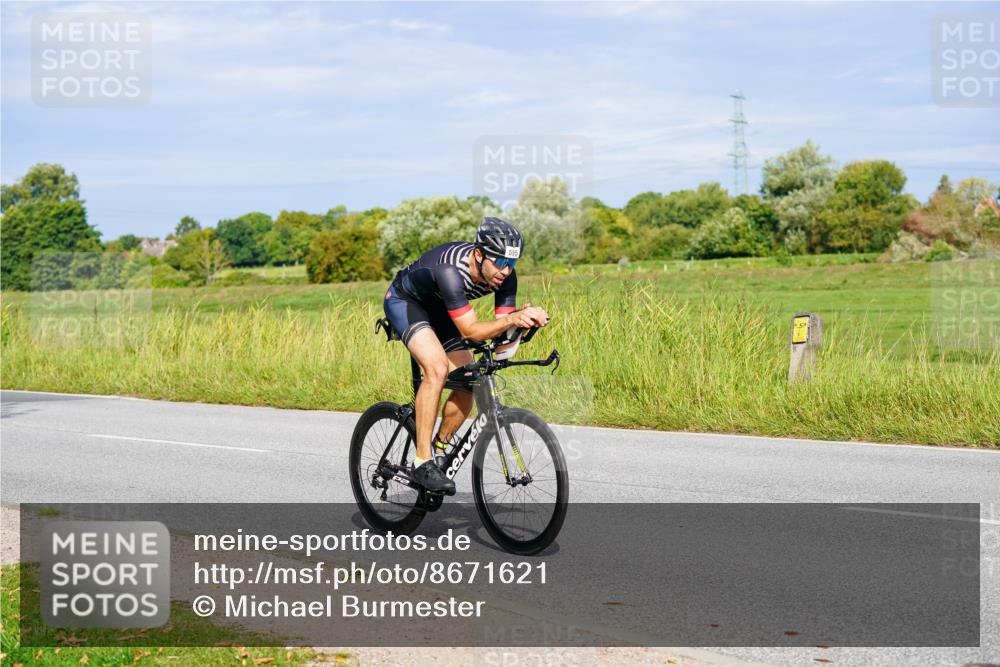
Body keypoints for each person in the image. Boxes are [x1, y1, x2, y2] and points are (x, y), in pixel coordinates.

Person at [382, 217, 549, 494]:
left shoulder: (504, 277)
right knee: (436, 370)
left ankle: (438, 451)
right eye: (499, 263)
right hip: (406, 303)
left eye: (512, 264)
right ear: (479, 254)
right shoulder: (451, 270)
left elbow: (500, 338)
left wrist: (521, 327)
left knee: (469, 380)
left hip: (442, 308)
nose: (506, 272)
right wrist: (513, 320)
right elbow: (471, 330)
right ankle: (423, 461)